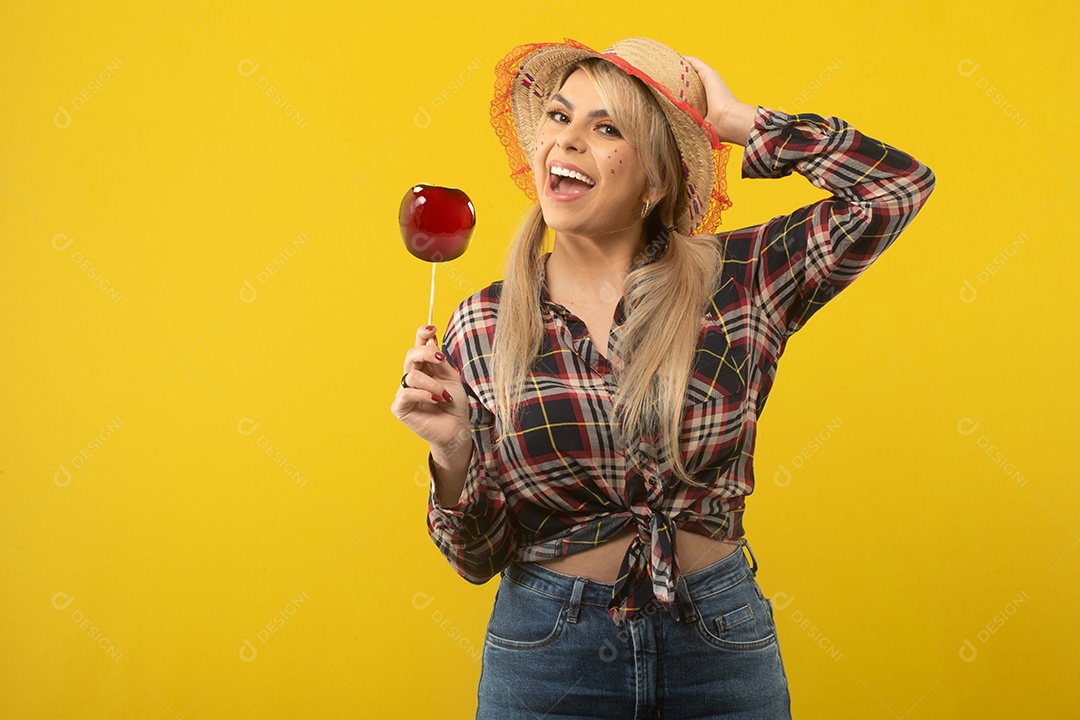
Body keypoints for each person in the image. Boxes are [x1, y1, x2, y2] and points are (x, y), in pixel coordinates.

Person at [390, 37, 935, 719]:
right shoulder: (483, 324)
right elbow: (477, 558)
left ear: (654, 180)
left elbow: (895, 189)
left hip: (716, 640)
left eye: (607, 127)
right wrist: (452, 451)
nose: (569, 142)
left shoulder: (738, 280)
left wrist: (737, 122)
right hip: (547, 653)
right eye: (559, 118)